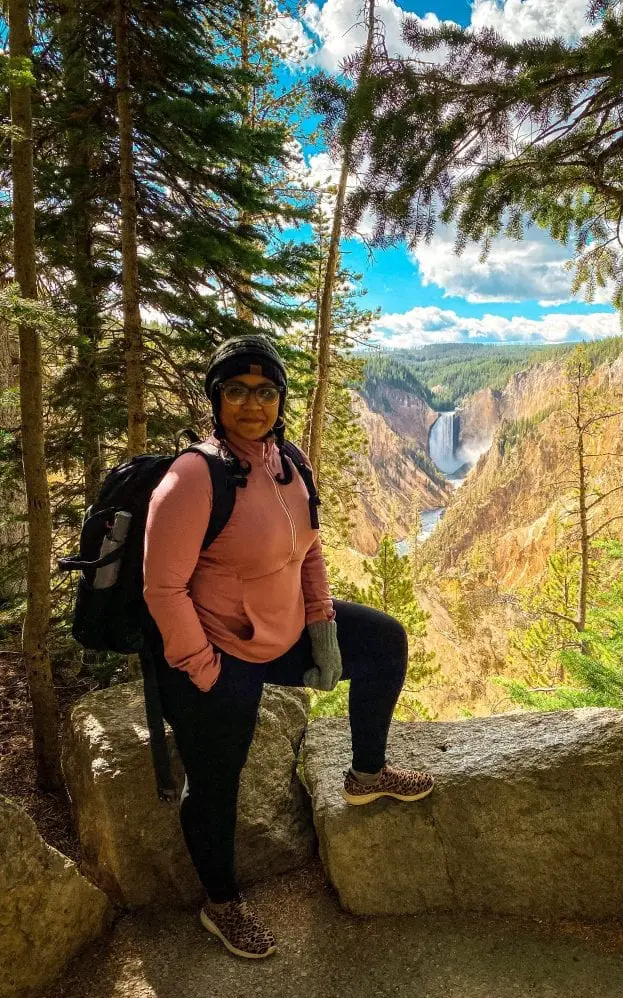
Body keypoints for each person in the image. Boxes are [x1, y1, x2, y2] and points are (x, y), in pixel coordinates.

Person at [142, 334, 434, 960]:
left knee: (384, 641)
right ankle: (222, 904)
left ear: (280, 399)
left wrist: (323, 625)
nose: (253, 403)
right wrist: (203, 669)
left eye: (266, 391)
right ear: (217, 399)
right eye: (238, 391)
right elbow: (161, 587)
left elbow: (310, 549)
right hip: (219, 649)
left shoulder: (289, 463)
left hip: (282, 632)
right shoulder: (193, 476)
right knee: (216, 783)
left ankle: (367, 773)